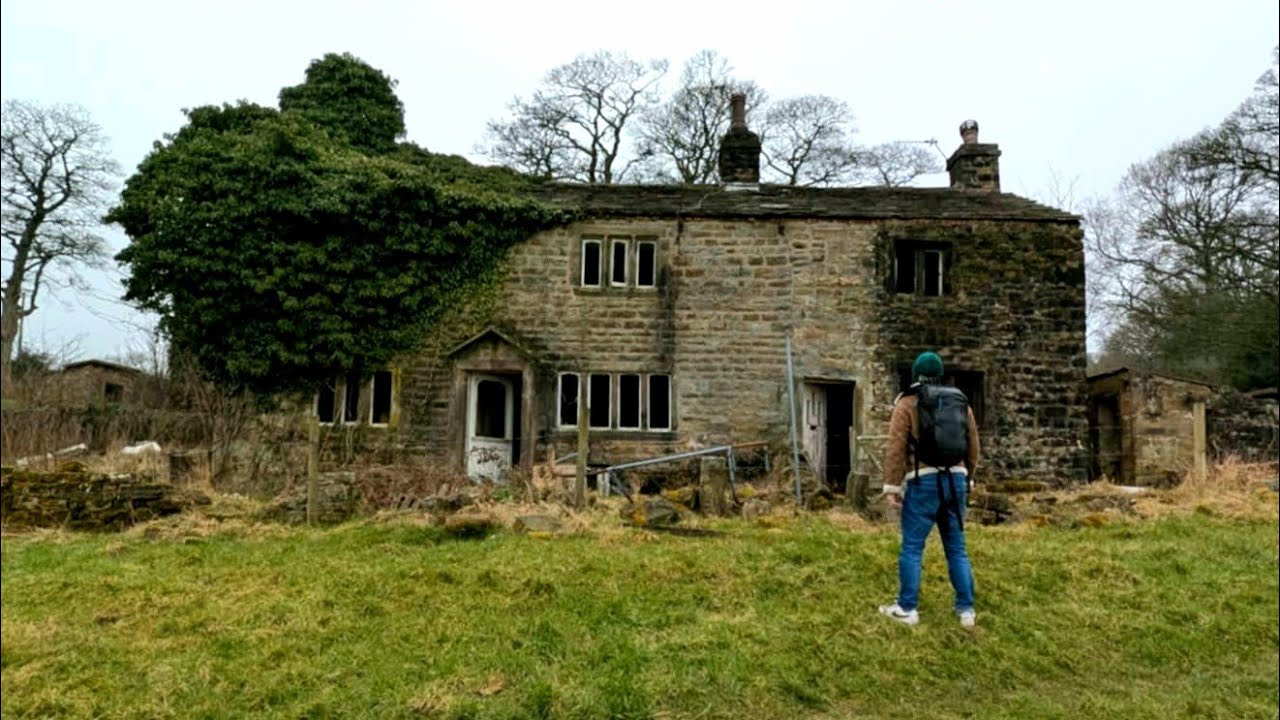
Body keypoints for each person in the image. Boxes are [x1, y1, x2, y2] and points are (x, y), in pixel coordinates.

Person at [878, 351, 981, 628]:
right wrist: (969, 476)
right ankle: (966, 610)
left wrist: (892, 485)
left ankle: (907, 608)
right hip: (956, 479)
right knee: (957, 548)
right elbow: (973, 444)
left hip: (923, 481)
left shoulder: (907, 403)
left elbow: (896, 448)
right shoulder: (960, 402)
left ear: (915, 374)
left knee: (912, 547)